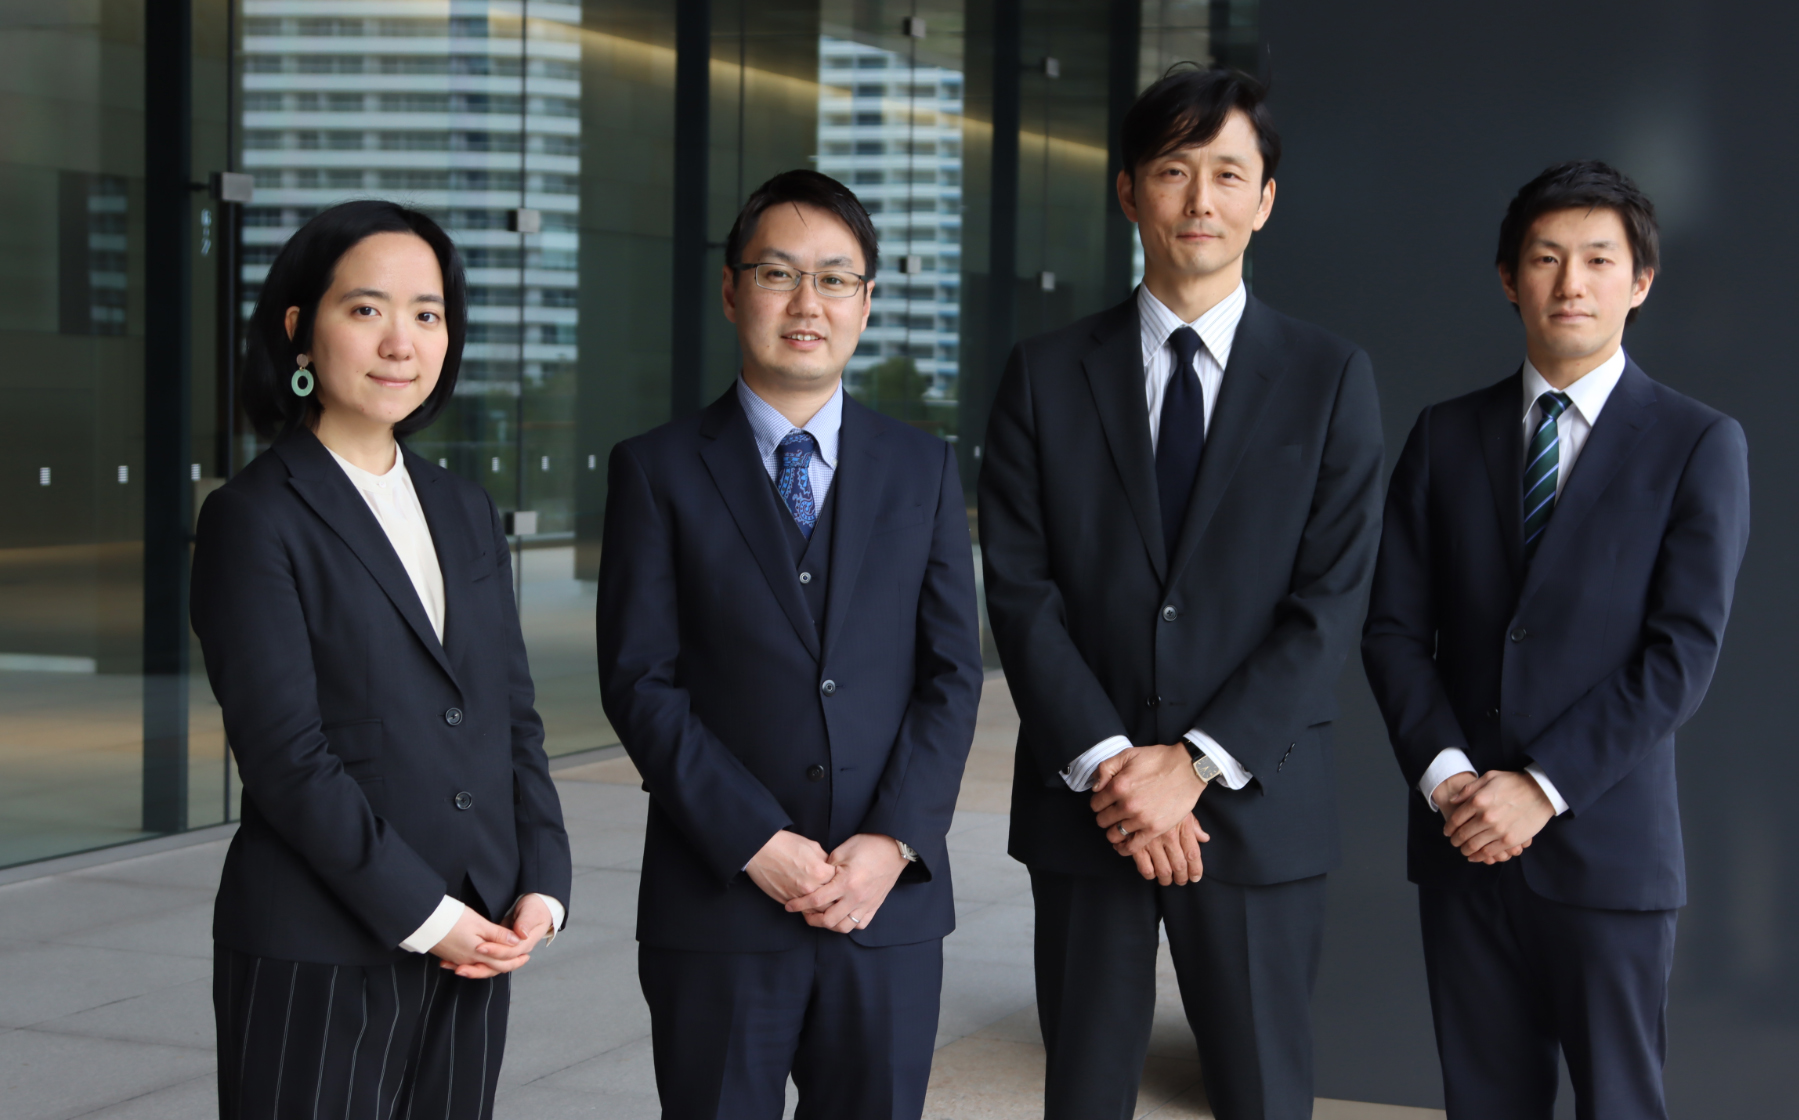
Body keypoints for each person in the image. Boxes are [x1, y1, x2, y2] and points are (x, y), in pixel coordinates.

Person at [979, 66, 1385, 1120]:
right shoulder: (1042, 373)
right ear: (1127, 192)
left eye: (1225, 173)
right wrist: (1119, 771)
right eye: (1172, 171)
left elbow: (1327, 601)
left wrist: (1194, 766)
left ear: (1264, 199)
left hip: (1257, 804)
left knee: (1261, 1093)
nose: (1198, 201)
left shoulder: (1329, 377)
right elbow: (1020, 593)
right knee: (1083, 1093)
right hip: (1088, 807)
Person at [1362, 161, 1751, 1120]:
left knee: (1619, 1102)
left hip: (1608, 846)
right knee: (1485, 1102)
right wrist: (1452, 778)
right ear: (1509, 278)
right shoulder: (1442, 437)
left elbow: (1680, 656)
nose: (1570, 283)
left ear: (1640, 282)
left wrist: (1540, 788)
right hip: (1461, 841)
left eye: (1597, 259)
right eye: (1545, 258)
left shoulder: (1698, 444)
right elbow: (1393, 630)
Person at [596, 169, 981, 1118]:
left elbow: (951, 675)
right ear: (732, 291)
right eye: (778, 274)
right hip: (719, 901)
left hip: (884, 904)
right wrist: (755, 839)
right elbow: (641, 682)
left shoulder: (923, 468)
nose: (807, 303)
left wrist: (891, 842)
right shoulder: (656, 470)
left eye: (835, 279)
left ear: (866, 301)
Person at [191, 200, 572, 1119]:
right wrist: (430, 920)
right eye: (366, 310)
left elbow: (507, 713)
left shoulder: (464, 507)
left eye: (427, 313)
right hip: (322, 949)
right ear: (300, 331)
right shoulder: (255, 517)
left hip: (480, 933)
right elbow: (287, 758)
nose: (401, 341)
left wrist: (542, 882)